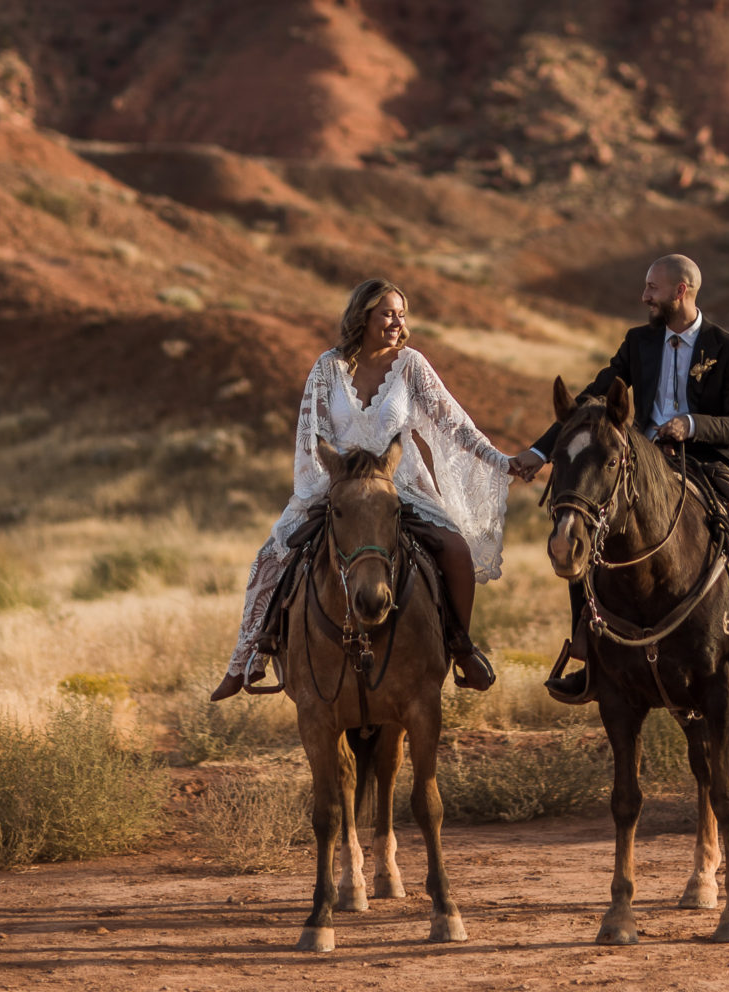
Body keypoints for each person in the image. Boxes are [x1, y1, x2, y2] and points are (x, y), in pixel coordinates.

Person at [512, 252, 729, 700]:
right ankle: (589, 653)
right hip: (642, 468)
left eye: (653, 287)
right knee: (586, 533)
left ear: (680, 291)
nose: (645, 295)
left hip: (709, 463)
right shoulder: (637, 343)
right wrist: (540, 449)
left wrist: (691, 424)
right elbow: (590, 400)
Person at [211, 277, 510, 700]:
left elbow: (454, 424)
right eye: (388, 312)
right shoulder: (327, 368)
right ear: (364, 315)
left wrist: (503, 461)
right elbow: (310, 433)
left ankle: (461, 647)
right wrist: (326, 483)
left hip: (399, 485)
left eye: (401, 314)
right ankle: (248, 657)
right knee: (270, 556)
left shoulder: (412, 366)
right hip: (338, 485)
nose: (396, 321)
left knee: (457, 550)